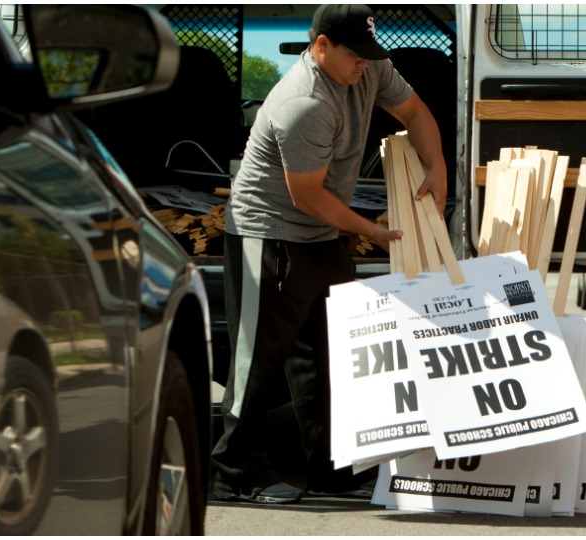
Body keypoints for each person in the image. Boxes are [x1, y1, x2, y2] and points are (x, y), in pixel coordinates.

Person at [211, 4, 447, 504]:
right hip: (270, 233)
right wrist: (372, 231)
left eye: (369, 56)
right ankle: (235, 471)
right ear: (321, 46)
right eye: (354, 57)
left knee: (328, 354)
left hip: (322, 232)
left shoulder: (370, 66)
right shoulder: (304, 103)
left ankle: (330, 466)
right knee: (259, 358)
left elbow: (416, 113)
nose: (364, 66)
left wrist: (437, 168)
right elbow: (308, 196)